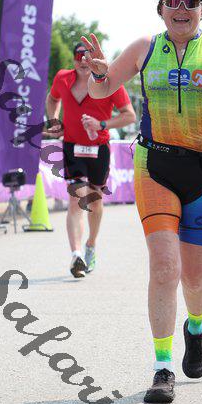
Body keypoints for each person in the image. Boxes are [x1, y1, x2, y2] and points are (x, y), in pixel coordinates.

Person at [81, 0, 202, 404]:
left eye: (190, 2)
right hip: (155, 165)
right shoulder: (144, 48)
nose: (181, 9)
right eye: (173, 1)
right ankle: (162, 367)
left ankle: (196, 327)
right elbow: (102, 89)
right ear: (161, 9)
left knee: (195, 276)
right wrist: (97, 75)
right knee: (165, 267)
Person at [45, 42, 136, 278]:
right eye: (79, 56)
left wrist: (102, 124)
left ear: (96, 58)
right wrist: (54, 120)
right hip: (72, 146)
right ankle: (76, 255)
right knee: (76, 197)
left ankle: (90, 244)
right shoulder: (63, 78)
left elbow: (129, 116)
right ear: (73, 59)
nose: (84, 61)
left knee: (94, 201)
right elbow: (52, 99)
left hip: (99, 148)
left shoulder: (110, 81)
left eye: (88, 56)